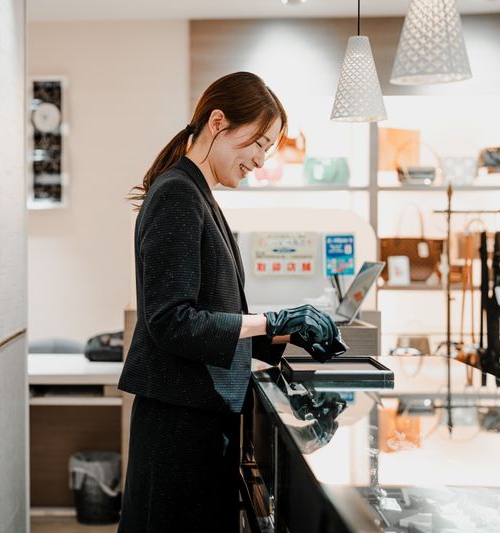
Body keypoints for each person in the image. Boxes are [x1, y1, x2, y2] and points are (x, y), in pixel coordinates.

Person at [117, 72, 342, 532]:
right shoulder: (178, 194)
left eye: (268, 149)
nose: (260, 161)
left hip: (196, 418)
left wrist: (284, 331)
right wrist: (270, 319)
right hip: (178, 426)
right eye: (258, 143)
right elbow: (172, 322)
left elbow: (214, 317)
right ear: (218, 122)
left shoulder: (198, 194)